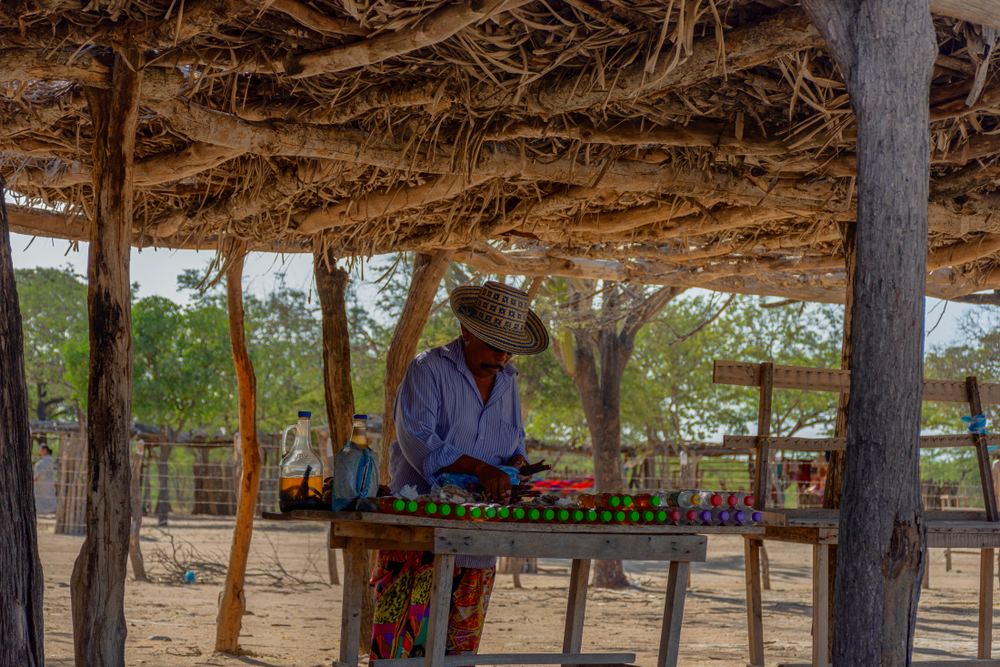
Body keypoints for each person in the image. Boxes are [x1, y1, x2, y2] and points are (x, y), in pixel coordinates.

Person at [370, 280, 550, 661]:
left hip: (478, 548)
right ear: (466, 330)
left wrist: (517, 464)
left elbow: (515, 443)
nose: (501, 357)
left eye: (508, 349)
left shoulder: (509, 385)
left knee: (458, 658)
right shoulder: (427, 370)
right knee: (398, 655)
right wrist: (481, 469)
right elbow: (418, 440)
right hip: (418, 542)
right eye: (493, 345)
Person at [33, 444, 58, 514]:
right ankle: (44, 510)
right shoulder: (45, 459)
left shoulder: (48, 459)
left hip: (46, 481)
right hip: (41, 482)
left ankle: (55, 508)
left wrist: (35, 478)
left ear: (45, 450)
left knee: (49, 494)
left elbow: (43, 470)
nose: (39, 452)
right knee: (42, 496)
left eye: (40, 450)